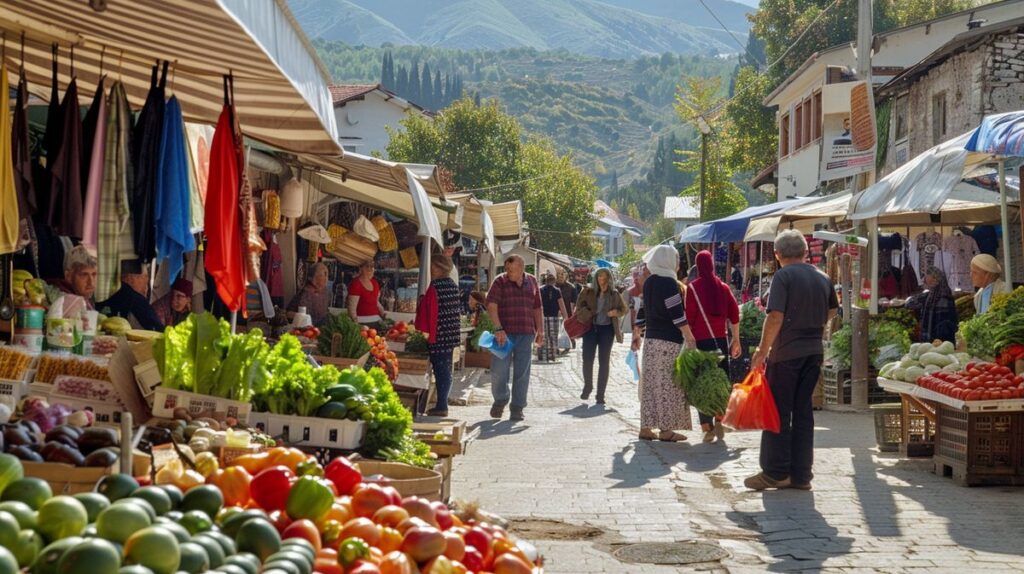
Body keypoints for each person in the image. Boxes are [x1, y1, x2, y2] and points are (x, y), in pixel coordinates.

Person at [747, 230, 838, 491]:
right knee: (802, 413)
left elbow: (775, 316)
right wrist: (814, 324)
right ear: (805, 252)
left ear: (777, 255)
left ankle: (775, 472)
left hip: (786, 353)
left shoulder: (783, 276)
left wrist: (762, 351)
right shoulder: (822, 277)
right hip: (814, 353)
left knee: (777, 412)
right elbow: (833, 309)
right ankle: (801, 475)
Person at [631, 245, 696, 442]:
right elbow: (676, 313)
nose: (678, 264)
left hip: (651, 341)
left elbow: (642, 312)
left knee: (651, 385)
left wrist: (637, 333)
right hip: (669, 342)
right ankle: (666, 430)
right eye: (676, 260)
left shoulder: (649, 282)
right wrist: (689, 336)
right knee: (668, 386)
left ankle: (645, 427)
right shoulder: (669, 283)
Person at [685, 250, 742, 443]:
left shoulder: (692, 289)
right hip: (721, 343)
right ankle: (719, 418)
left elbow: (690, 318)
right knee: (719, 383)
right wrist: (736, 339)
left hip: (701, 344)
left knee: (702, 384)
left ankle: (707, 428)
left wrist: (689, 342)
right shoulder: (723, 287)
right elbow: (734, 315)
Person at [486, 254, 543, 422]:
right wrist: (498, 328)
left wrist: (541, 331)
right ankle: (500, 400)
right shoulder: (500, 281)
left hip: (526, 333)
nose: (508, 272)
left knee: (522, 373)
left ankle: (517, 408)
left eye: (512, 270)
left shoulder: (532, 281)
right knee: (498, 371)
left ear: (521, 269)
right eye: (507, 269)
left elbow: (537, 307)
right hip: (504, 334)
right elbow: (491, 305)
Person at [414, 254, 462, 417]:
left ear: (438, 268)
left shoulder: (435, 286)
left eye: (433, 266)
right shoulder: (453, 285)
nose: (431, 269)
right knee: (446, 369)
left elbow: (431, 313)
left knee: (441, 370)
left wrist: (427, 335)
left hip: (438, 335)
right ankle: (443, 403)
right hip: (449, 335)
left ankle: (442, 406)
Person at [576, 268, 627, 404]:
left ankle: (600, 395)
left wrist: (616, 312)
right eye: (599, 277)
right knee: (587, 359)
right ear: (596, 278)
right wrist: (586, 312)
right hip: (590, 329)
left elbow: (624, 309)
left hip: (607, 331)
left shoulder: (614, 294)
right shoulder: (588, 291)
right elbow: (578, 308)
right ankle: (588, 386)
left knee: (604, 362)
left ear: (609, 278)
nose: (602, 280)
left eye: (604, 277)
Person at [96, 261, 164, 331]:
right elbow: (158, 329)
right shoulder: (134, 299)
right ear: (129, 278)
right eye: (144, 278)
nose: (146, 288)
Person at [906, 267, 958, 343]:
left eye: (927, 276)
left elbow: (943, 324)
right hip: (936, 340)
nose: (925, 279)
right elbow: (909, 304)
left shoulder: (943, 297)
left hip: (940, 341)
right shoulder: (930, 295)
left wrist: (936, 341)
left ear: (934, 279)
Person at [289, 262, 331, 326]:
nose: (326, 279)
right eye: (324, 274)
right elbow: (288, 313)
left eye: (327, 275)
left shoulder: (325, 292)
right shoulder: (306, 292)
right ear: (314, 277)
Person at [348, 259, 387, 327]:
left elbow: (376, 301)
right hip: (362, 323)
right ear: (361, 268)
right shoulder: (356, 284)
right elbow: (352, 308)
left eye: (372, 266)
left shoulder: (375, 283)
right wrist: (356, 325)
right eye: (367, 266)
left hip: (376, 321)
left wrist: (383, 313)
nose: (370, 268)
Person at [539, 273, 567, 362]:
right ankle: (552, 356)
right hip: (554, 317)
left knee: (543, 337)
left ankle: (543, 356)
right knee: (553, 337)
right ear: (554, 282)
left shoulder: (540, 290)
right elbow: (561, 304)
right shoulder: (557, 291)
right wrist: (565, 317)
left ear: (546, 281)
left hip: (542, 317)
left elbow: (537, 304)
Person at [555, 269, 579, 351]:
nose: (561, 276)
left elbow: (574, 301)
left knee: (567, 329)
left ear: (566, 276)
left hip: (568, 311)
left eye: (562, 274)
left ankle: (570, 343)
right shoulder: (554, 286)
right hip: (556, 312)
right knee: (556, 330)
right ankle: (556, 347)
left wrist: (572, 314)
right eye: (559, 274)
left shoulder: (571, 287)